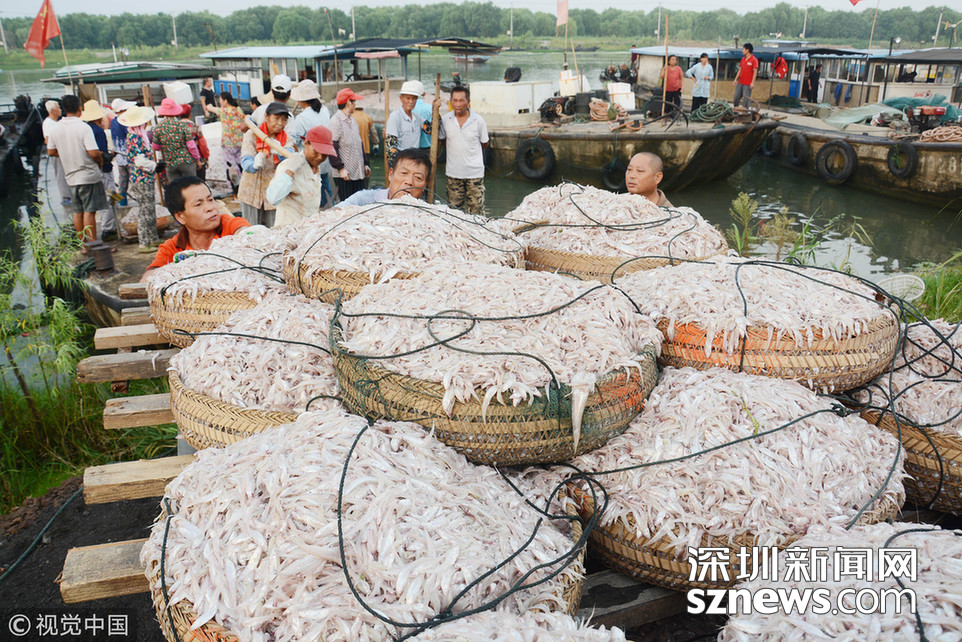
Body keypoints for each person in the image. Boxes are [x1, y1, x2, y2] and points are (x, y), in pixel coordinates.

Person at [143, 176, 250, 275]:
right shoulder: (172, 248)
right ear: (180, 217)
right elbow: (148, 277)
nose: (210, 208)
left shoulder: (229, 225)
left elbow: (246, 233)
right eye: (198, 204)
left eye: (210, 199)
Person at [47, 94, 106, 250]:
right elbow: (93, 153)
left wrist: (66, 154)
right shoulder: (83, 127)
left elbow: (51, 151)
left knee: (77, 212)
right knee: (89, 211)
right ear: (80, 109)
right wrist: (100, 161)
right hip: (88, 175)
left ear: (64, 109)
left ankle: (84, 245)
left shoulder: (55, 128)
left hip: (71, 176)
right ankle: (94, 245)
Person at [266, 125, 337, 227]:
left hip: (308, 229)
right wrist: (289, 172)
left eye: (324, 154)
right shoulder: (288, 166)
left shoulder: (316, 167)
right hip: (288, 229)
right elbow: (273, 198)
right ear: (306, 143)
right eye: (316, 152)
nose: (320, 157)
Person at [238, 102, 294, 227]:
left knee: (275, 229)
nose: (280, 123)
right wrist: (253, 164)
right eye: (276, 118)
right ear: (266, 117)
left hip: (274, 193)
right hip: (251, 191)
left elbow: (291, 157)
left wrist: (280, 152)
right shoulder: (252, 134)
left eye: (284, 120)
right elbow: (246, 158)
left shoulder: (287, 139)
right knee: (251, 229)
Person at [439, 86, 488, 215]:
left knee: (476, 213)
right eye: (455, 100)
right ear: (450, 101)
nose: (458, 104)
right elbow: (443, 141)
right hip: (453, 174)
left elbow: (484, 143)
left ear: (468, 101)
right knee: (454, 213)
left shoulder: (478, 121)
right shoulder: (446, 120)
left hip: (474, 174)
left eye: (462, 100)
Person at [119, 105, 161, 251]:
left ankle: (153, 238)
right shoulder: (135, 137)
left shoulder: (135, 136)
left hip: (144, 177)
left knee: (149, 209)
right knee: (145, 210)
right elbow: (139, 161)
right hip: (142, 178)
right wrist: (155, 165)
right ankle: (144, 242)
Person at [288, 79, 333, 208]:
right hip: (324, 159)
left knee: (314, 192)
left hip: (311, 160)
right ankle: (331, 207)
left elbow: (294, 141)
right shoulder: (324, 110)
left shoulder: (301, 118)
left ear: (301, 100)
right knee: (325, 187)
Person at [339, 148, 431, 207]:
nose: (409, 182)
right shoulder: (363, 200)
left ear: (425, 185)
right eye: (404, 173)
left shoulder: (426, 214)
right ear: (391, 174)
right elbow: (336, 212)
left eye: (418, 178)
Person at [80, 100, 118, 241]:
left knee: (104, 199)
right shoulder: (98, 132)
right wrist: (111, 155)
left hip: (92, 171)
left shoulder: (86, 129)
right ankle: (109, 229)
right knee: (111, 198)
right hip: (105, 171)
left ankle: (108, 226)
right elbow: (100, 153)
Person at [328, 88, 369, 202]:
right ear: (348, 103)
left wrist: (365, 163)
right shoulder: (336, 121)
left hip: (358, 172)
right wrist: (341, 168)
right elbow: (332, 147)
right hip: (345, 175)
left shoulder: (352, 120)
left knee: (360, 203)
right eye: (354, 101)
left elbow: (359, 144)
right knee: (348, 204)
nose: (355, 104)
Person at [153, 97, 202, 181]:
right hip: (186, 162)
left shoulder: (158, 128)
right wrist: (197, 160)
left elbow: (156, 147)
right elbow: (191, 146)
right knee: (190, 185)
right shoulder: (182, 125)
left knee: (176, 187)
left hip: (171, 164)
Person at [207, 92, 246, 190]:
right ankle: (244, 184)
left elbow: (210, 108)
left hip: (228, 144)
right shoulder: (238, 110)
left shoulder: (223, 111)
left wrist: (209, 105)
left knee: (230, 167)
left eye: (220, 100)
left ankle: (236, 189)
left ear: (225, 101)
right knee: (240, 164)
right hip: (239, 142)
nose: (220, 102)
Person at [385, 80, 426, 167]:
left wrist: (435, 111)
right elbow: (391, 148)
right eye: (408, 98)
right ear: (401, 98)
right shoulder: (395, 117)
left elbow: (431, 129)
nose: (411, 101)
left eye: (413, 98)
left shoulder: (417, 118)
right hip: (401, 161)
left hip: (415, 160)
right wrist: (400, 167)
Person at [42, 99, 72, 205]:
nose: (60, 110)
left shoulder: (55, 122)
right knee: (61, 174)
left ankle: (68, 194)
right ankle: (65, 197)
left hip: (61, 152)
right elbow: (47, 140)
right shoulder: (48, 123)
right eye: (58, 108)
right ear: (53, 110)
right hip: (56, 153)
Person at [110, 98, 136, 206]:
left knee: (122, 181)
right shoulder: (124, 122)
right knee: (134, 180)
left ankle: (122, 203)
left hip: (119, 156)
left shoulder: (113, 122)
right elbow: (130, 137)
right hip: (128, 155)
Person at [732, 43, 758, 109]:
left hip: (748, 84)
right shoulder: (743, 59)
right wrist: (735, 79)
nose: (743, 51)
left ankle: (745, 113)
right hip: (740, 82)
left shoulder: (754, 60)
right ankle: (735, 111)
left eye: (744, 49)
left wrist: (752, 83)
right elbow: (740, 70)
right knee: (736, 97)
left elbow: (755, 72)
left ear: (747, 50)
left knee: (745, 100)